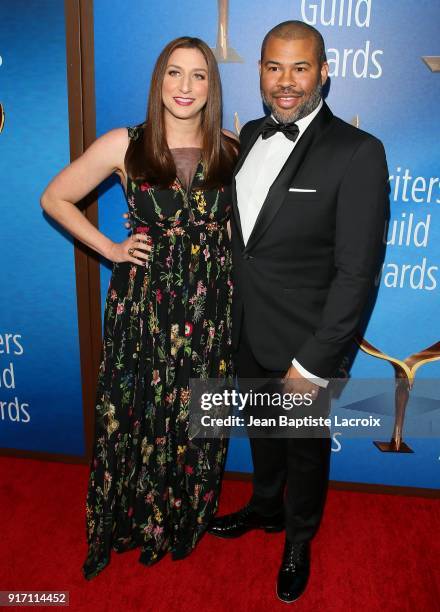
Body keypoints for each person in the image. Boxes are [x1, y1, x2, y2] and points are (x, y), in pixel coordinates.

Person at [40, 36, 238, 580]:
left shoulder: (230, 147)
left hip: (208, 308)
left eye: (199, 76)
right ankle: (126, 523)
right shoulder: (124, 145)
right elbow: (54, 198)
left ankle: (181, 521)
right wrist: (110, 249)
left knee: (196, 414)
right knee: (136, 410)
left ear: (211, 87)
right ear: (159, 80)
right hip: (143, 307)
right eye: (175, 73)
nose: (185, 87)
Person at [208, 21, 389, 604]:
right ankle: (265, 507)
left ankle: (299, 538)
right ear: (259, 72)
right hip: (243, 329)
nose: (286, 82)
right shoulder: (250, 135)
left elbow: (357, 273)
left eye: (300, 67)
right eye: (273, 67)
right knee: (262, 436)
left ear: (324, 72)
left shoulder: (358, 152)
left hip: (305, 344)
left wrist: (314, 362)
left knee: (305, 450)